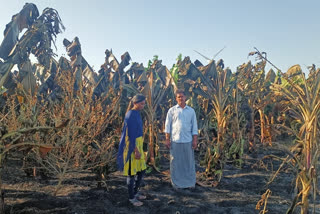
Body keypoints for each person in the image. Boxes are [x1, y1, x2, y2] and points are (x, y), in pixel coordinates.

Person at [117, 94, 147, 206]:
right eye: (141, 104)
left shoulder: (136, 113)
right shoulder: (130, 115)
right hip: (131, 146)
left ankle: (135, 192)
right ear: (135, 103)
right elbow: (129, 135)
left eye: (144, 104)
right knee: (131, 173)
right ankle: (131, 198)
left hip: (137, 144)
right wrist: (135, 150)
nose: (143, 106)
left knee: (141, 170)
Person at [164, 89, 198, 189]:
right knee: (175, 162)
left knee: (188, 162)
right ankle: (176, 183)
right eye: (178, 97)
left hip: (188, 140)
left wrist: (195, 140)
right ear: (176, 98)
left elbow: (194, 127)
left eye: (182, 96)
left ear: (185, 97)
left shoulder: (191, 111)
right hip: (175, 140)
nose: (181, 99)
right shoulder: (172, 110)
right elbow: (167, 126)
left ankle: (190, 182)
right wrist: (167, 139)